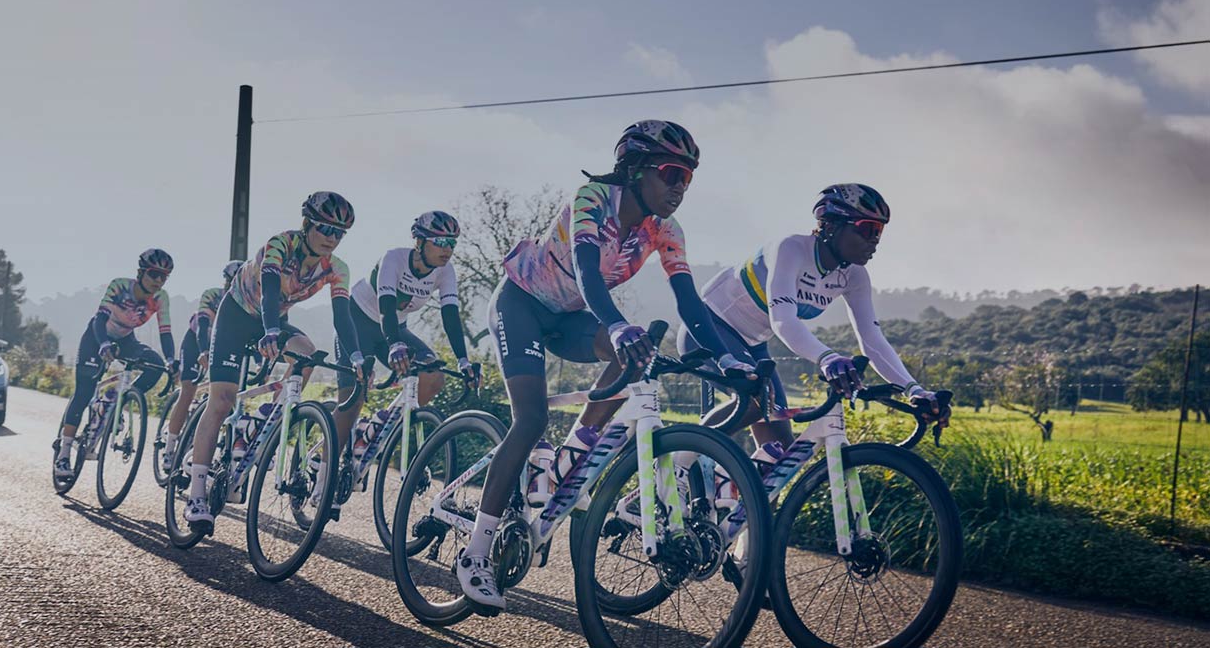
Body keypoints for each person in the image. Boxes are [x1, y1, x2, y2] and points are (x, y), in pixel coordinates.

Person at [462, 120, 750, 613]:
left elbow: (690, 302)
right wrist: (617, 324)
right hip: (523, 304)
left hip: (572, 316)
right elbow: (586, 272)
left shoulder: (666, 229)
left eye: (688, 178)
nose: (679, 187)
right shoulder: (593, 198)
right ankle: (476, 553)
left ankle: (573, 456)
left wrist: (726, 355)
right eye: (670, 173)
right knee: (530, 420)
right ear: (635, 169)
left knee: (634, 358)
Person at [691, 184, 945, 468]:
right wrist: (828, 358)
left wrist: (914, 390)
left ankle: (745, 507)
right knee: (759, 398)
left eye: (880, 231)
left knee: (781, 460)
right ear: (831, 225)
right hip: (710, 327)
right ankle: (674, 457)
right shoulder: (791, 249)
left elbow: (872, 339)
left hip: (753, 343)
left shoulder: (855, 276)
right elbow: (783, 320)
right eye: (866, 228)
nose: (874, 240)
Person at [183, 191, 366, 536]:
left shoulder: (336, 268)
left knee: (308, 354)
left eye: (340, 233)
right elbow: (269, 292)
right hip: (239, 316)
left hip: (274, 322)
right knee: (221, 402)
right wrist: (268, 330)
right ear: (308, 224)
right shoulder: (281, 244)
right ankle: (196, 496)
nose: (332, 238)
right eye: (326, 228)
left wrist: (355, 357)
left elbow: (343, 317)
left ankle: (266, 418)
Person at [330, 211, 480, 489]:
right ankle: (324, 466)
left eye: (452, 243)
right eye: (441, 241)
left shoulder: (445, 271)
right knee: (353, 399)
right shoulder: (394, 258)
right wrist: (395, 344)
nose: (448, 249)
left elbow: (450, 316)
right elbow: (386, 305)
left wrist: (463, 361)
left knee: (433, 373)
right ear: (419, 242)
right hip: (359, 320)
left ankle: (379, 424)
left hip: (395, 328)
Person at [54, 249, 180, 480]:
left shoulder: (161, 298)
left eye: (164, 276)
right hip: (97, 336)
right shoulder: (120, 286)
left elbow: (165, 332)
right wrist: (102, 344)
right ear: (141, 272)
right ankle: (63, 453)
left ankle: (118, 404)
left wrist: (171, 360)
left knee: (155, 365)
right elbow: (100, 319)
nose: (159, 281)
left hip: (125, 339)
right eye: (154, 274)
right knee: (84, 392)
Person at [157, 260, 244, 473]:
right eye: (229, 281)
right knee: (188, 391)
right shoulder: (212, 295)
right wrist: (204, 351)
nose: (231, 285)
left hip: (224, 345)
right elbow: (203, 325)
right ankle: (169, 448)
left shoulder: (245, 302)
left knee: (231, 396)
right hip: (198, 341)